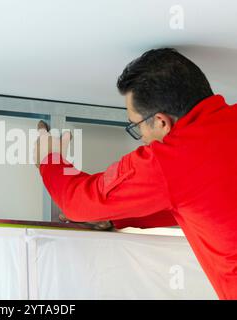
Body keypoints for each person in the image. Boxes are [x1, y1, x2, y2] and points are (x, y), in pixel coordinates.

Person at [34, 48, 237, 300]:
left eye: (136, 125)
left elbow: (79, 202)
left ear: (161, 121)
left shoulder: (171, 160)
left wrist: (49, 160)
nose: (141, 137)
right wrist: (117, 218)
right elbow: (206, 202)